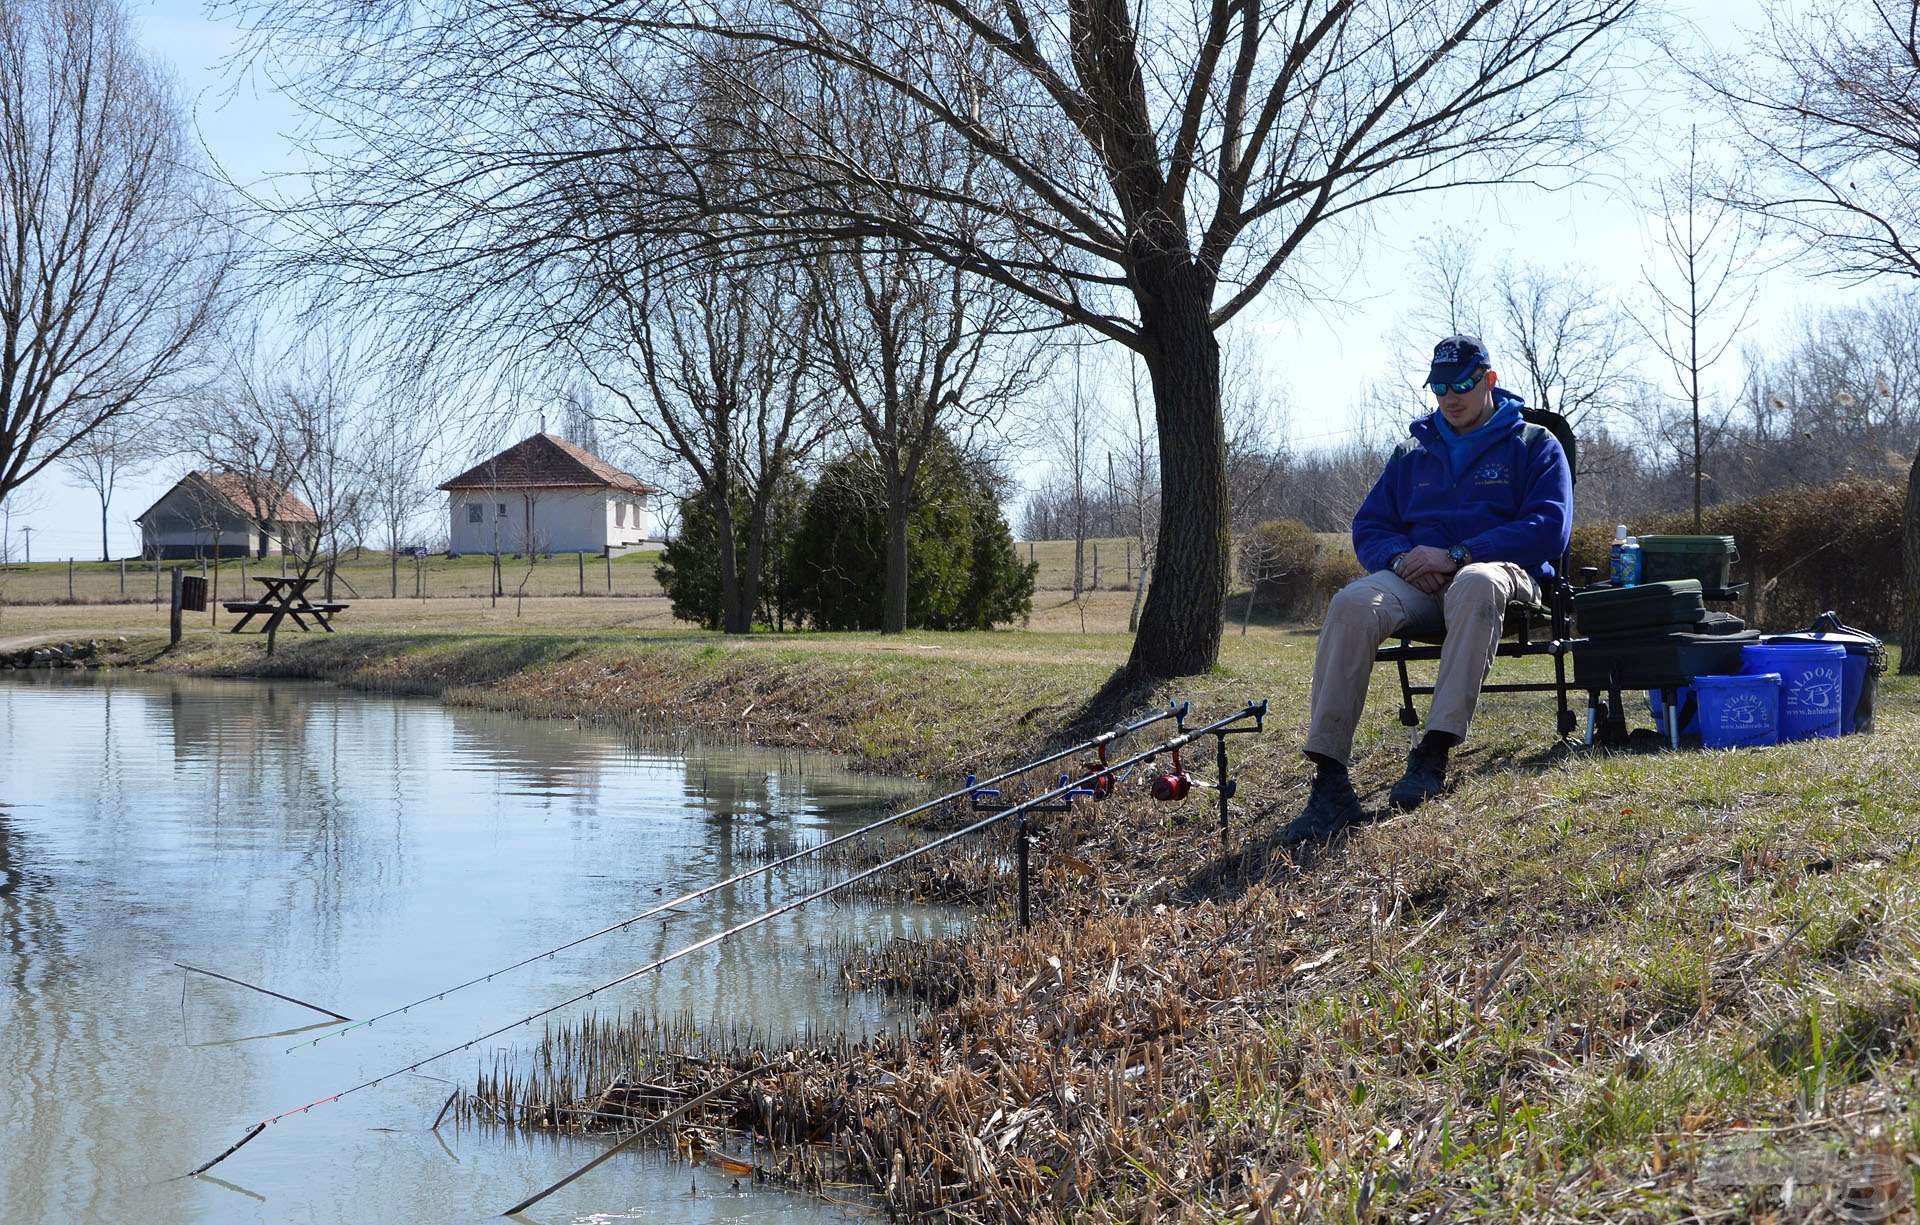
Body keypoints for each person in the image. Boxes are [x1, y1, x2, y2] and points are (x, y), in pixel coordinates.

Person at [1284, 335, 1572, 845]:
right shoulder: (1410, 454)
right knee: (1352, 602)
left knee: (1477, 584)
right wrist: (1401, 560)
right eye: (1439, 386)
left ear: (1489, 380)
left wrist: (1459, 553)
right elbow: (1369, 526)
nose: (1450, 396)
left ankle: (1433, 753)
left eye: (1462, 383)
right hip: (1418, 580)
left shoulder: (1534, 444)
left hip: (1499, 572)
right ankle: (1329, 779)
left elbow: (1550, 527)